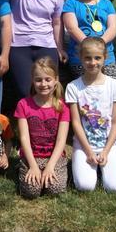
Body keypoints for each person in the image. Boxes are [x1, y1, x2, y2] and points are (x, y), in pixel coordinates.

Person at [0, 0, 65, 101]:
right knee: (26, 91)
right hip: (19, 46)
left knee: (48, 90)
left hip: (46, 45)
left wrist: (60, 48)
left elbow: (57, 23)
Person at [66, 37, 116, 193]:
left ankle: (107, 165)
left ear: (105, 57)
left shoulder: (115, 86)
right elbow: (76, 123)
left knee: (115, 188)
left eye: (97, 58)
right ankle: (86, 166)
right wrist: (88, 151)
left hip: (109, 145)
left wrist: (106, 151)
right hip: (84, 145)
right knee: (85, 186)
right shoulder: (73, 87)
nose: (93, 62)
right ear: (80, 58)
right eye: (88, 58)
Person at [14, 57, 70, 199]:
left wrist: (50, 166)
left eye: (47, 79)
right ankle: (22, 167)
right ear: (33, 81)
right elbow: (24, 138)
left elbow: (61, 140)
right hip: (31, 156)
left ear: (55, 80)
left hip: (54, 157)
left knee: (55, 189)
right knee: (31, 192)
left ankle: (51, 172)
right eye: (38, 80)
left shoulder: (62, 107)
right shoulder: (23, 104)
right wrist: (33, 166)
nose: (43, 84)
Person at [62, 0, 116, 81]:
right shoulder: (71, 3)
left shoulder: (107, 3)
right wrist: (90, 47)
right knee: (85, 90)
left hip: (106, 58)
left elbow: (113, 27)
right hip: (81, 58)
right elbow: (72, 28)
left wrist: (100, 44)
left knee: (110, 89)